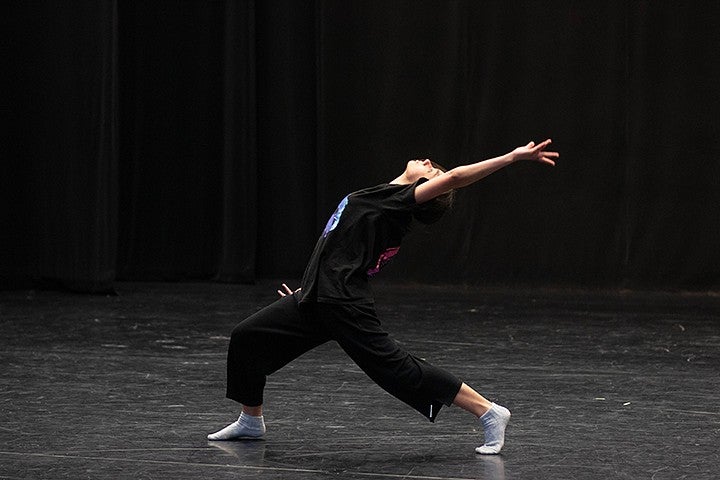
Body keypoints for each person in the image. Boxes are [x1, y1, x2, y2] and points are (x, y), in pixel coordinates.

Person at [208, 139, 559, 454]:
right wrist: (310, 284)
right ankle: (251, 420)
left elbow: (455, 179)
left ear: (428, 186)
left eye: (432, 169)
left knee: (396, 369)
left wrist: (512, 157)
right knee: (247, 338)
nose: (428, 162)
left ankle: (489, 411)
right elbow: (341, 248)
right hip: (319, 296)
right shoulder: (382, 199)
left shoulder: (398, 204)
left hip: (342, 302)